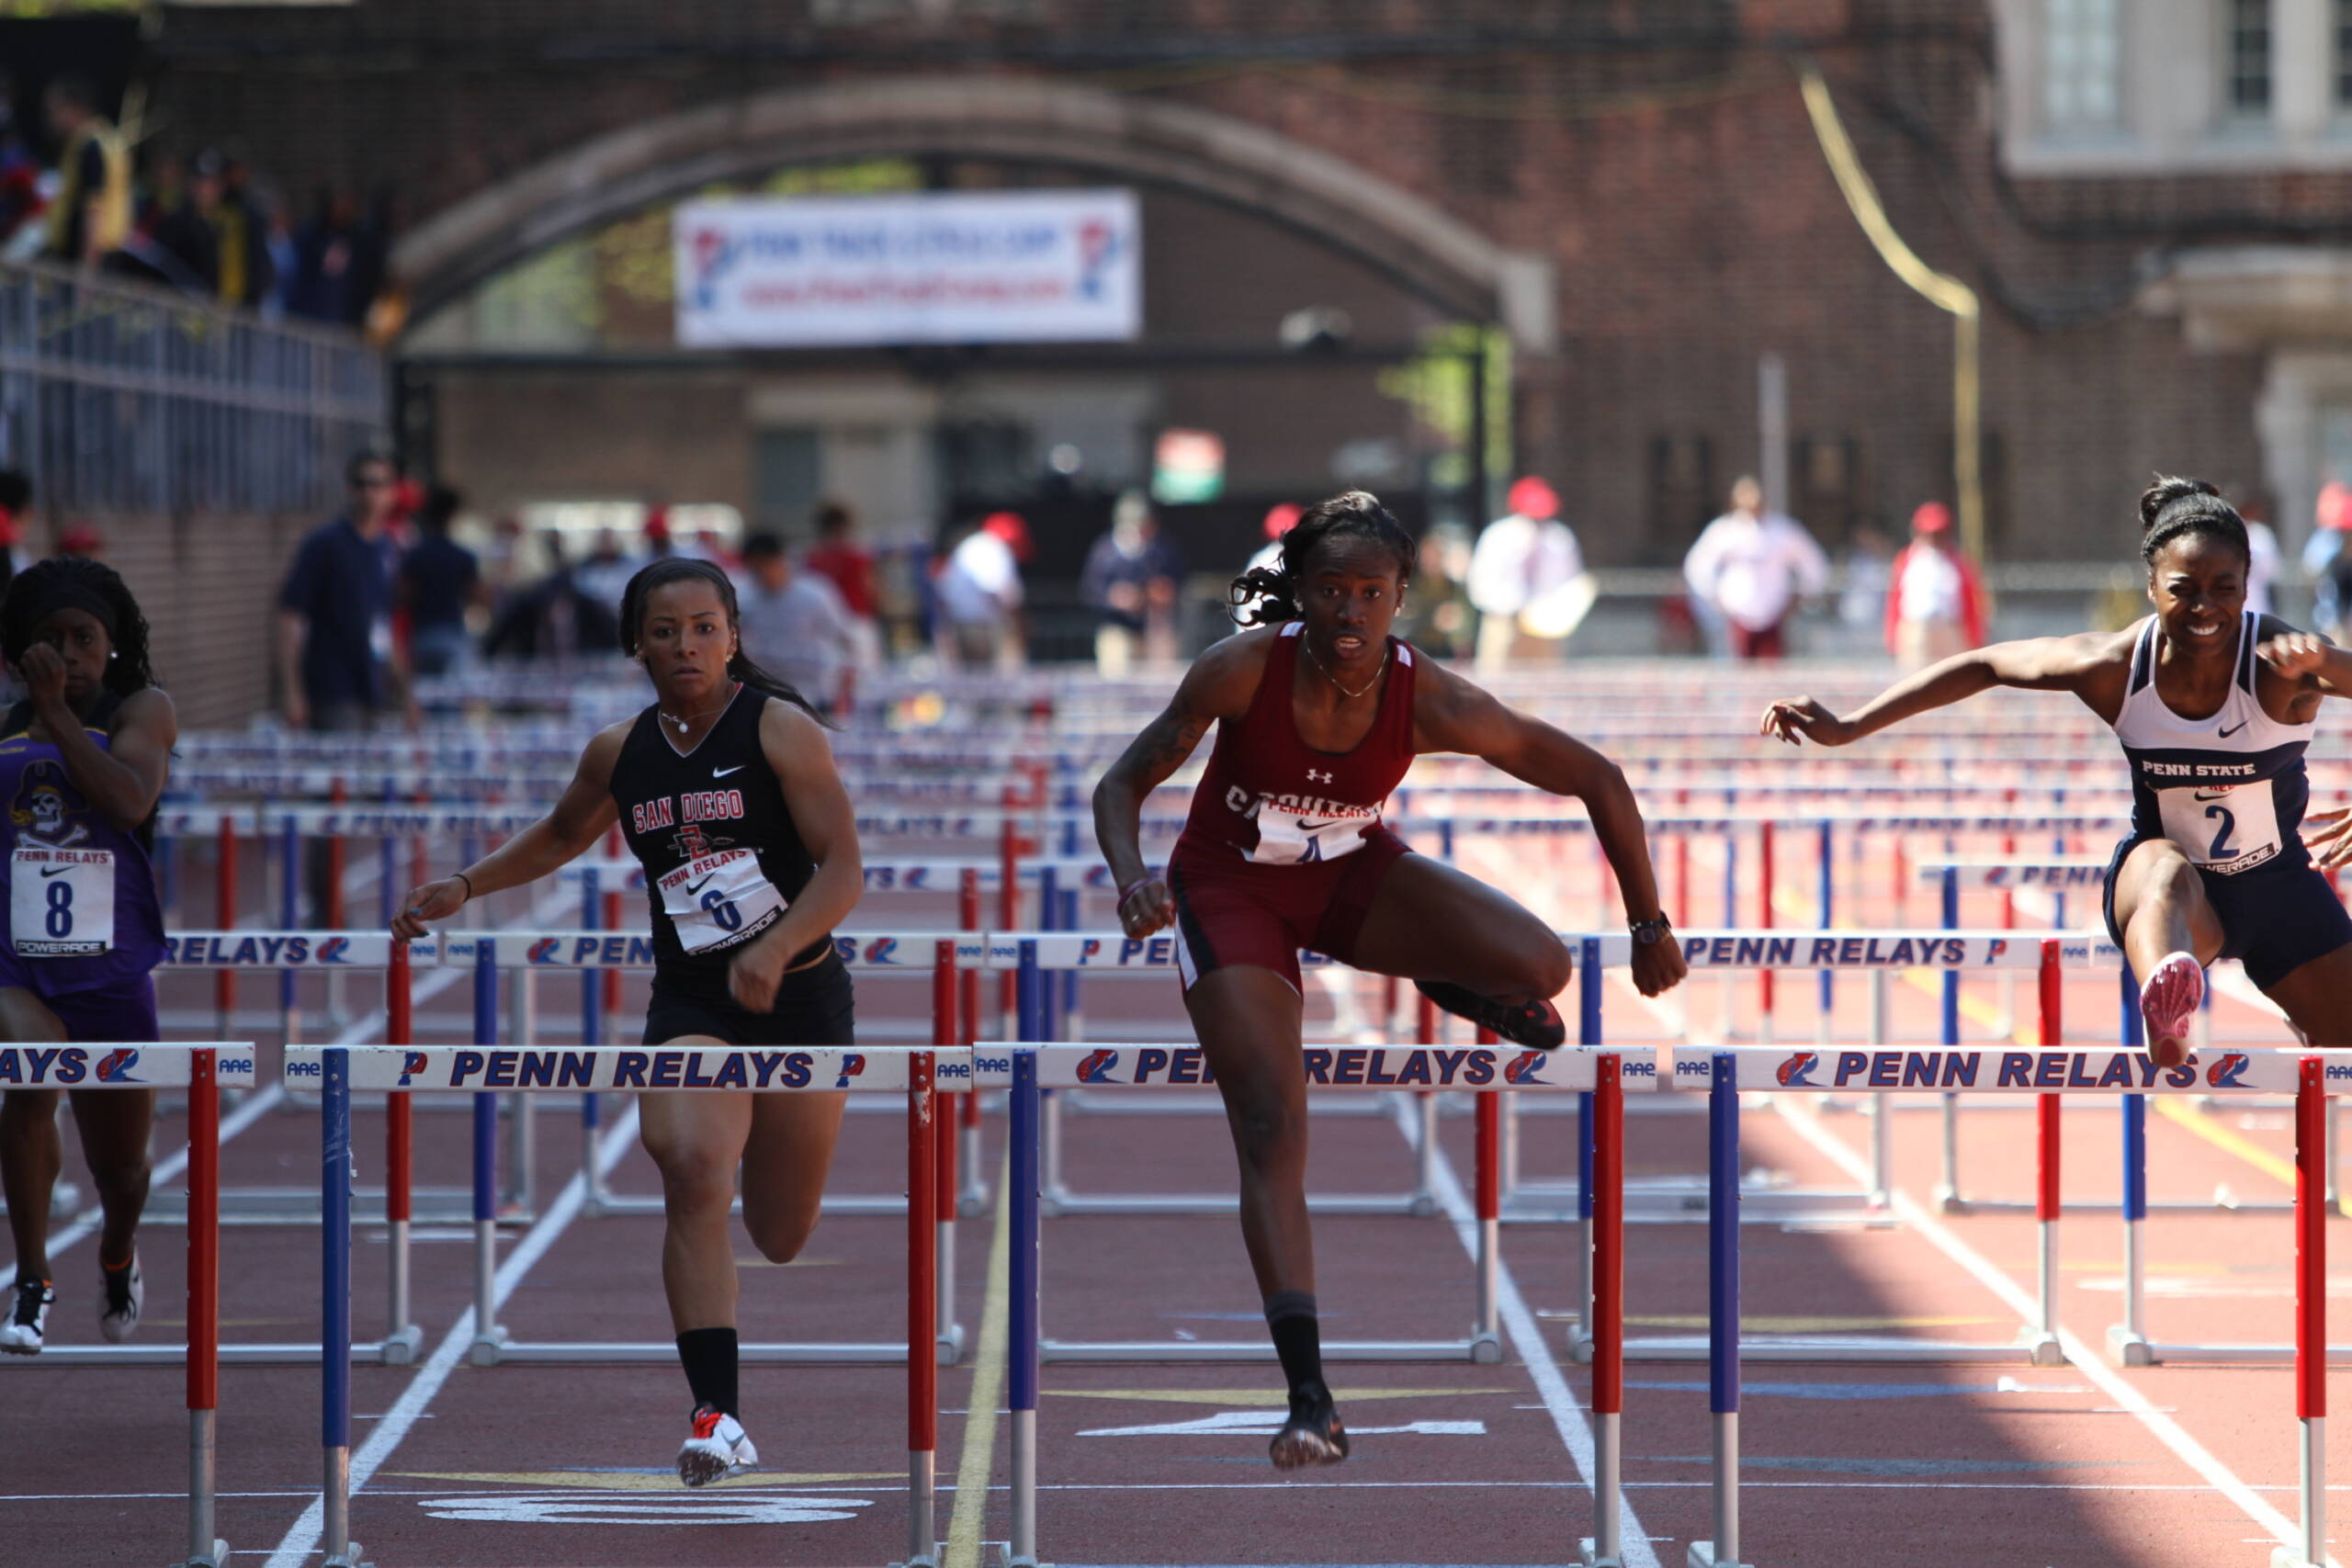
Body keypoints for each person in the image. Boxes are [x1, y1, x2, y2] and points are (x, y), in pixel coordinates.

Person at [1093, 489, 1686, 1468]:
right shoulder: (1241, 671)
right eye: (1330, 592)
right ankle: (1309, 1396)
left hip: (1347, 880)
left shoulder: (1433, 696)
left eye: (1370, 593)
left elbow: (1597, 777)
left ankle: (1445, 977)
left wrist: (1647, 923)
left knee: (1545, 967)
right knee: (1272, 1119)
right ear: (1301, 596)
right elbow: (1122, 783)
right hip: (1231, 892)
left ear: (1401, 597)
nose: (1349, 614)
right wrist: (1132, 880)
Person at [392, 557, 862, 1485]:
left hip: (800, 995)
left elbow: (843, 868)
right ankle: (717, 1415)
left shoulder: (781, 732)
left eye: (701, 628)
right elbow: (564, 834)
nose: (684, 646)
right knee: (688, 1169)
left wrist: (774, 947)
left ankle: (726, 1377)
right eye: (663, 631)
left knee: (779, 1233)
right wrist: (467, 884)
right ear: (635, 645)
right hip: (694, 1000)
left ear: (732, 634)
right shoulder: (620, 753)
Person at [1763, 477, 2352, 1066]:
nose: (2205, 608)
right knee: (2164, 868)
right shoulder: (2116, 668)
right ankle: (2167, 1008)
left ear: (2247, 585)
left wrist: (2328, 660)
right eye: (2184, 589)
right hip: (2170, 898)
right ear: (2151, 588)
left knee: (2341, 1047)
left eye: (2224, 589)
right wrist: (1849, 727)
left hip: (2278, 886)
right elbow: (1986, 663)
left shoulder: (2285, 662)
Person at [0, 558, 176, 1354]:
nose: (68, 655)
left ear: (112, 645)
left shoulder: (141, 710)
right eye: (50, 640)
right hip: (18, 965)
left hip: (111, 969)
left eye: (84, 639)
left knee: (124, 1171)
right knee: (28, 1080)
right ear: (19, 650)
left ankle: (116, 1251)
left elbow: (129, 799)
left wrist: (56, 719)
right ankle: (31, 1278)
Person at [1682, 476, 1829, 660]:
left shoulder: (1781, 530)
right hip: (1737, 615)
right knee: (1736, 675)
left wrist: (1802, 596)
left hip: (1773, 614)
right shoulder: (1724, 531)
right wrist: (1714, 600)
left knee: (1772, 678)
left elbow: (1813, 562)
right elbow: (1698, 566)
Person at [1466, 476, 1592, 671]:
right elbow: (1481, 582)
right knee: (1496, 684)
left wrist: (1554, 612)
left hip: (1546, 626)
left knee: (1544, 685)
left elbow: (1571, 582)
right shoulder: (1499, 536)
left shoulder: (1560, 539)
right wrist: (1510, 608)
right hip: (1504, 621)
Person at [734, 532, 857, 717]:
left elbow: (845, 638)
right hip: (768, 691)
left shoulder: (815, 595)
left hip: (814, 692)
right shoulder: (746, 600)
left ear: (781, 560)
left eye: (766, 566)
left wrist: (846, 684)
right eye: (755, 570)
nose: (763, 575)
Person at [1080, 491, 1183, 675]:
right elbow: (1090, 590)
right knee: (1116, 680)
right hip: (1117, 628)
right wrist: (1114, 598)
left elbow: (1176, 581)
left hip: (1154, 628)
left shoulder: (1161, 550)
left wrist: (1160, 592)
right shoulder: (1104, 551)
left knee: (1158, 682)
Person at [1883, 502, 1986, 670]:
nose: (1934, 539)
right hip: (1916, 627)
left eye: (1939, 534)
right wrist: (1892, 637)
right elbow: (1895, 599)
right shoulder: (1907, 559)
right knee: (1915, 676)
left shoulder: (1958, 561)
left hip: (1949, 626)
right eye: (1929, 534)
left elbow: (1970, 600)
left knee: (1955, 677)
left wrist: (1974, 636)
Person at [40, 77, 129, 271]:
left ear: (75, 110)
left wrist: (87, 269)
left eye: (56, 111)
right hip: (95, 254)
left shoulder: (90, 147)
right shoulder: (101, 139)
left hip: (89, 258)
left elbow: (94, 210)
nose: (51, 119)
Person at [399, 484, 481, 681]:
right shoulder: (462, 556)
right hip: (452, 632)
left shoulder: (415, 555)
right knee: (452, 697)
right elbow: (478, 596)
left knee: (425, 694)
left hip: (422, 634)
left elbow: (403, 595)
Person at [934, 513, 1028, 669]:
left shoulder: (970, 544)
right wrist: (1016, 622)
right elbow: (998, 590)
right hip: (982, 627)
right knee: (997, 682)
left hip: (958, 622)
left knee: (968, 682)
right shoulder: (994, 548)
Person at [802, 501, 882, 671]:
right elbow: (870, 589)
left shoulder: (812, 558)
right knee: (864, 675)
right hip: (854, 621)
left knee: (831, 676)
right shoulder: (857, 556)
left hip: (823, 628)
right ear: (843, 526)